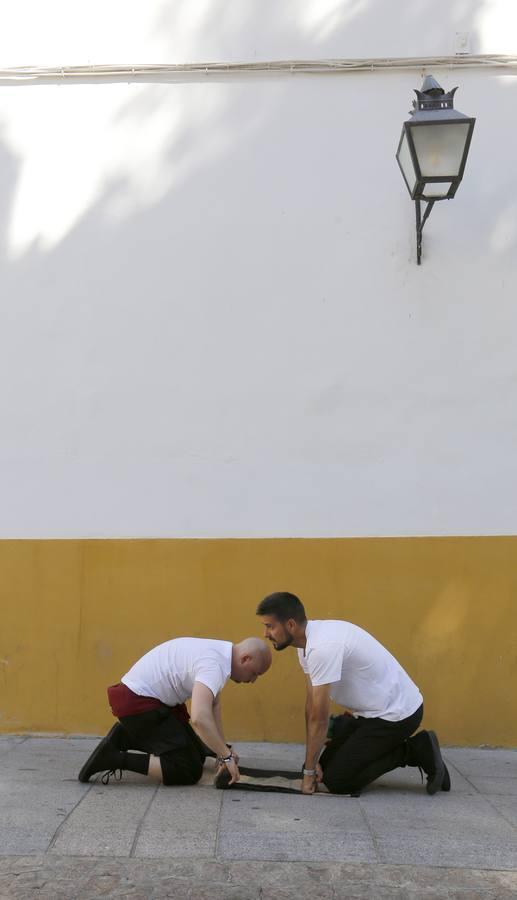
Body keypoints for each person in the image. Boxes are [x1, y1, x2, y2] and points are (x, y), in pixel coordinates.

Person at [257, 592, 450, 797]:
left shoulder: (322, 648)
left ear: (290, 625)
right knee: (324, 771)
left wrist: (308, 773)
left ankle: (415, 750)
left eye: (270, 626)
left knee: (338, 782)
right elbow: (311, 706)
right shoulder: (306, 645)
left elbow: (319, 718)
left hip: (397, 715)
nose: (265, 633)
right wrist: (310, 765)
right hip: (368, 714)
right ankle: (350, 734)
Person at [78, 636, 271, 787]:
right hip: (138, 704)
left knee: (199, 754)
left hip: (147, 700)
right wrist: (226, 756)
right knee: (187, 769)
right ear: (245, 659)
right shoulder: (214, 665)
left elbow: (214, 706)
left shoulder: (219, 652)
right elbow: (199, 718)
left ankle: (126, 736)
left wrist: (222, 750)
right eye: (255, 673)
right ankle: (113, 758)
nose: (253, 680)